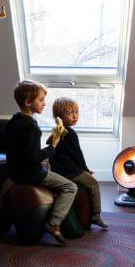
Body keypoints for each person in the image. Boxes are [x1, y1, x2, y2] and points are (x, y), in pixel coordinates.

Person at [5, 80, 77, 245]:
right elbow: (35, 158)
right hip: (30, 173)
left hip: (14, 172)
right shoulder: (32, 128)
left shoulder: (12, 122)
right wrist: (52, 145)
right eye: (41, 99)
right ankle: (53, 224)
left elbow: (21, 153)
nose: (45, 104)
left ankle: (0, 220)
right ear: (28, 102)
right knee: (70, 187)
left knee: (48, 167)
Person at [49, 97, 108, 229]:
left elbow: (53, 149)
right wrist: (85, 170)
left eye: (76, 112)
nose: (75, 116)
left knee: (88, 179)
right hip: (68, 170)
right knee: (93, 183)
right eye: (69, 113)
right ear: (59, 116)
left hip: (59, 169)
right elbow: (77, 155)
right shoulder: (70, 133)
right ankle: (96, 216)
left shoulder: (56, 131)